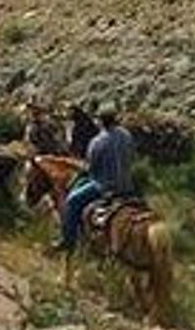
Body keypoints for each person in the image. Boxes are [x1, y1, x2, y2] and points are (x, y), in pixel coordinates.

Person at [59, 108, 138, 252]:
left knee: (71, 201)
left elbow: (90, 168)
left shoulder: (97, 141)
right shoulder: (127, 135)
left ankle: (68, 242)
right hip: (127, 185)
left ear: (100, 121)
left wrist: (78, 169)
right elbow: (132, 156)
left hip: (103, 187)